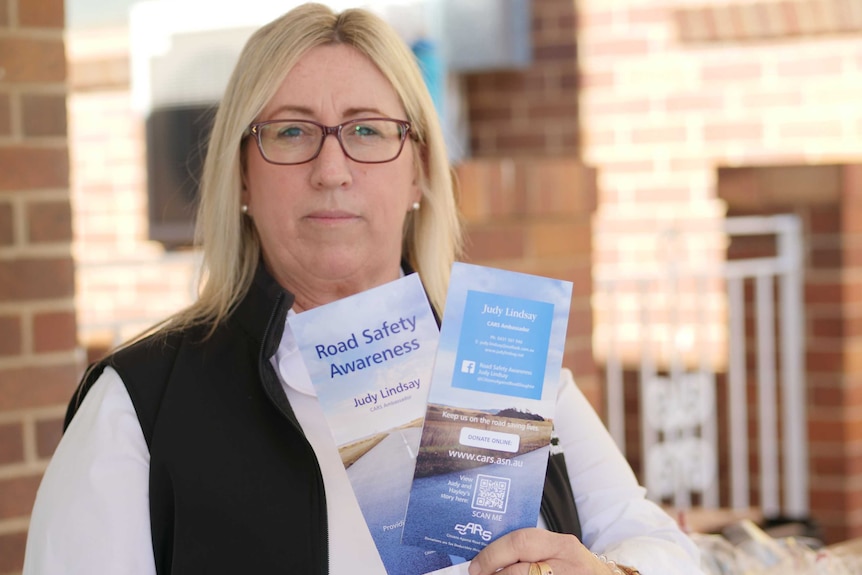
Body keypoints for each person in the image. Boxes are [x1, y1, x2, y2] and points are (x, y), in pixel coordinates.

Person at [23, 3, 704, 575]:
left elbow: (671, 549)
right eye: (290, 132)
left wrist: (613, 572)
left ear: (418, 173)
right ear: (240, 177)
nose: (331, 168)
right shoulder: (138, 406)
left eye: (367, 130)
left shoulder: (499, 365)